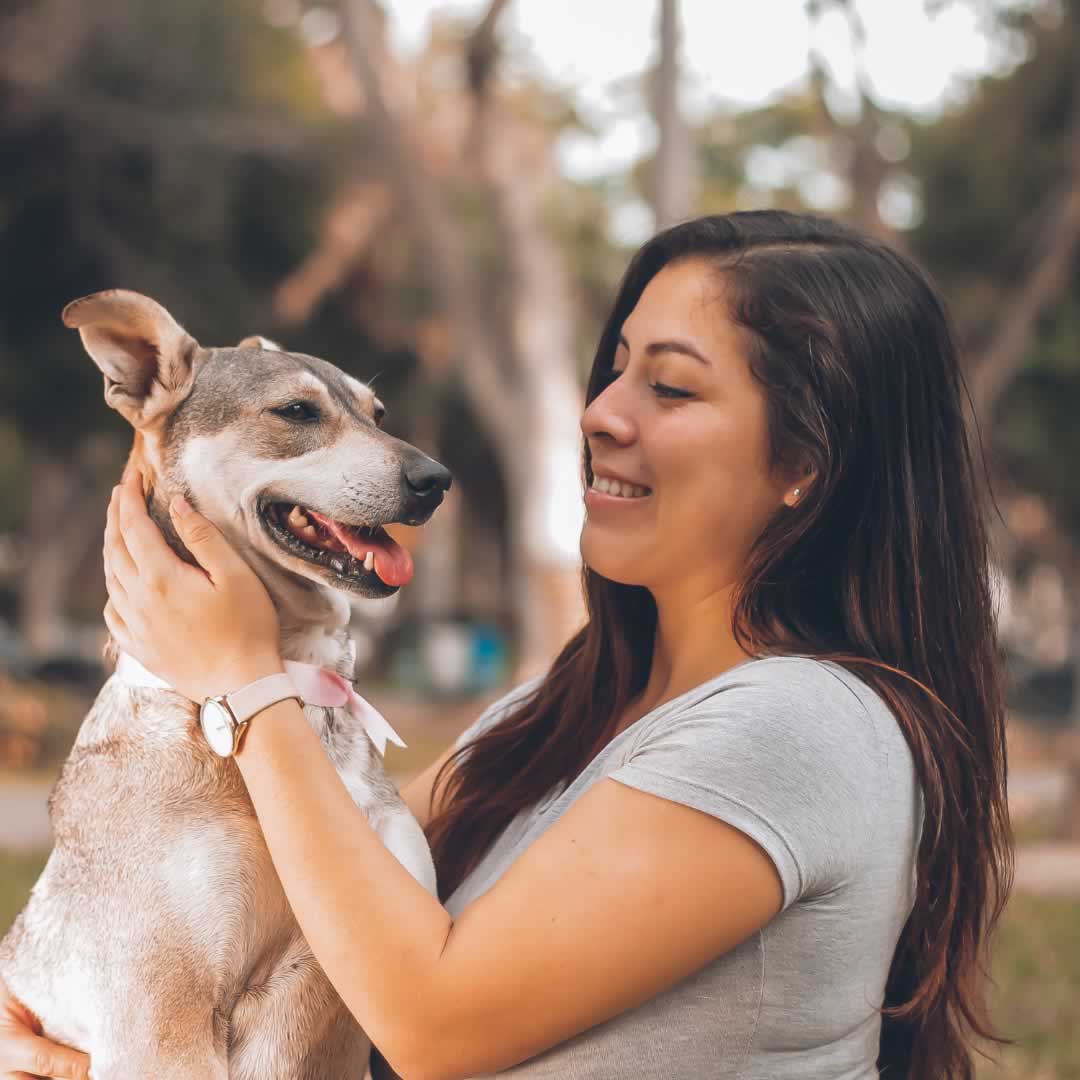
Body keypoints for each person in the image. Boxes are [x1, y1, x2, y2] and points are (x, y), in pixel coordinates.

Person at [0, 211, 1014, 1079]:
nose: (600, 414)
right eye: (614, 369)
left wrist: (238, 676)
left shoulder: (801, 728)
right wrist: (43, 1011)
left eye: (669, 387)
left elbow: (430, 1022)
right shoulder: (550, 715)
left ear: (806, 461)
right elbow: (302, 893)